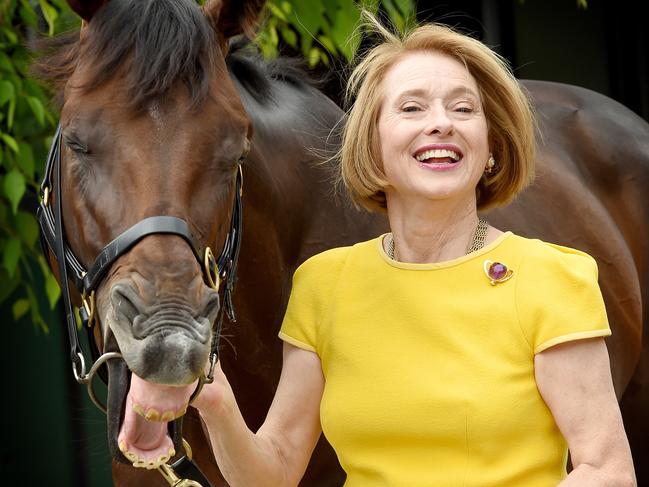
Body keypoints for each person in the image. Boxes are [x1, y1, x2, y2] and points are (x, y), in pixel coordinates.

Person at [194, 14, 636, 486]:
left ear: (490, 148)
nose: (442, 123)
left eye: (464, 109)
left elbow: (606, 469)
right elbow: (274, 471)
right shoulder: (324, 285)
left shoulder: (551, 279)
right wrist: (213, 399)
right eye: (412, 108)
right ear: (374, 145)